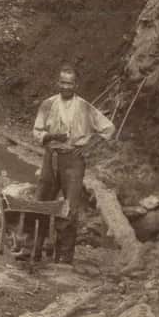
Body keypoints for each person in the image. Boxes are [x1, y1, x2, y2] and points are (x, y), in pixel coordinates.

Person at [23, 65, 116, 263]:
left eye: (70, 83)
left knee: (70, 207)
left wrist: (89, 147)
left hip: (73, 160)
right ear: (58, 83)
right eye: (62, 82)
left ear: (76, 85)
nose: (66, 86)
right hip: (51, 156)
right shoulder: (48, 104)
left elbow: (108, 128)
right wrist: (50, 136)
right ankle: (33, 248)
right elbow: (37, 131)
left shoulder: (84, 106)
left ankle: (64, 256)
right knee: (41, 202)